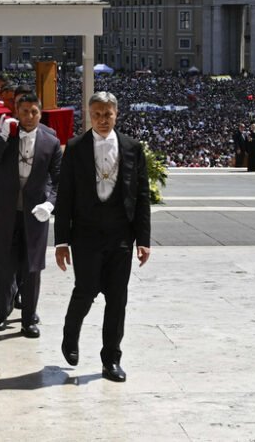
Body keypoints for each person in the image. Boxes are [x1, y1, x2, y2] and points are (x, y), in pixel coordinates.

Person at [54, 91, 151, 383]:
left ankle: (111, 359)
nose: (102, 120)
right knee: (85, 291)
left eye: (107, 114)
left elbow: (142, 196)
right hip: (85, 236)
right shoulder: (74, 148)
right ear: (89, 115)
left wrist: (143, 239)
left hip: (121, 236)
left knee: (117, 299)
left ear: (116, 114)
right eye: (97, 114)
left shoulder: (133, 148)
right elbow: (65, 197)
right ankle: (70, 334)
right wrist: (61, 242)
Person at [0, 92, 62, 337]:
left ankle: (28, 319)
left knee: (32, 269)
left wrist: (49, 205)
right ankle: (3, 312)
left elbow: (59, 181)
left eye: (34, 111)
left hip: (35, 215)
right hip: (6, 213)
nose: (29, 116)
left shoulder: (51, 141)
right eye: (24, 111)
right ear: (16, 111)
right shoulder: (7, 135)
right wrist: (2, 138)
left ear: (40, 112)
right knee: (5, 267)